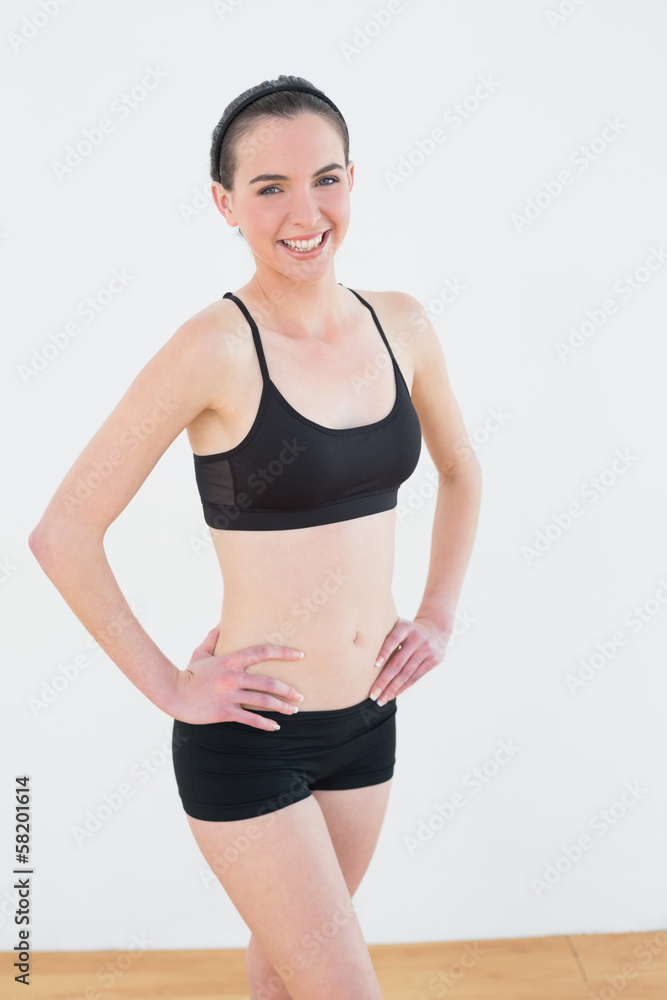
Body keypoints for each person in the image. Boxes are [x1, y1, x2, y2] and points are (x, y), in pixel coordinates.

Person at [29, 73, 482, 1000]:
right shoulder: (215, 346)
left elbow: (462, 469)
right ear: (224, 204)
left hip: (367, 722)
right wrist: (169, 687)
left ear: (352, 180)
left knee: (283, 974)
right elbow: (62, 532)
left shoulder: (403, 324)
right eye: (269, 188)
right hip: (252, 735)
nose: (303, 211)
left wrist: (434, 616)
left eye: (324, 178)